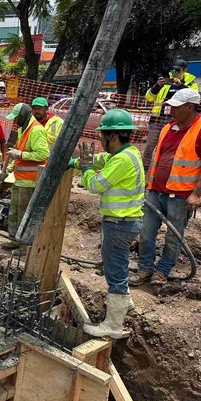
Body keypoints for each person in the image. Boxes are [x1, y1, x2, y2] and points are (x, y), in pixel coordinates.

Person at [69, 109, 145, 338]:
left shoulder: (121, 160)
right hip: (125, 222)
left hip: (120, 223)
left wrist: (85, 169)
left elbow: (95, 184)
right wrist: (73, 161)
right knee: (117, 267)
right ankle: (126, 304)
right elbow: (100, 159)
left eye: (102, 135)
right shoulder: (127, 153)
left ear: (112, 136)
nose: (99, 139)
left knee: (115, 270)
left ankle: (113, 325)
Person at [131, 88, 201, 286]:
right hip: (156, 191)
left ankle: (162, 271)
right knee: (146, 232)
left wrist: (196, 193)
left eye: (176, 107)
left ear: (190, 107)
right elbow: (157, 158)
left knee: (174, 237)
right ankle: (145, 269)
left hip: (181, 195)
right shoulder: (167, 127)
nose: (171, 111)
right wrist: (147, 184)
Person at [3, 103, 49, 250]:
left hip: (30, 182)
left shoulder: (36, 130)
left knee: (24, 215)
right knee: (14, 212)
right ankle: (15, 240)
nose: (15, 122)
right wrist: (10, 168)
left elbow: (43, 154)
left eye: (16, 118)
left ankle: (24, 247)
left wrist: (20, 154)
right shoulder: (24, 129)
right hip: (19, 180)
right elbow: (18, 151)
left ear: (23, 115)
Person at [142, 59, 200, 169]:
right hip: (158, 119)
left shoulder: (191, 83)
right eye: (173, 69)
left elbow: (195, 98)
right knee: (150, 145)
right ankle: (145, 168)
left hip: (176, 120)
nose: (174, 72)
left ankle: (166, 167)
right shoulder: (166, 82)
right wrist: (157, 86)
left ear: (185, 70)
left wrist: (181, 86)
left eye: (177, 70)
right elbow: (149, 97)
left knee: (171, 146)